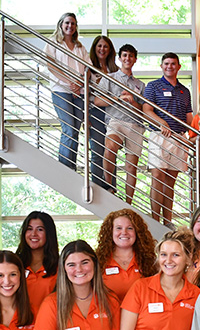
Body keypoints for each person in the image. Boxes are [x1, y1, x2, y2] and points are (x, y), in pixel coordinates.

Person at [143, 52, 193, 225]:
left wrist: (196, 132)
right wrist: (162, 122)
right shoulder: (153, 86)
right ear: (161, 66)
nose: (169, 66)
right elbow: (147, 110)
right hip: (160, 136)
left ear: (178, 67)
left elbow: (189, 119)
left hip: (179, 138)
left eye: (173, 64)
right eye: (166, 63)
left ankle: (167, 221)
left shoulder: (185, 91)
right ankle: (155, 220)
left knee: (170, 181)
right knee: (157, 175)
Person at [95, 44, 146, 203]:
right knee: (110, 148)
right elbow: (97, 101)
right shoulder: (110, 78)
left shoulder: (140, 85)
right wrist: (118, 99)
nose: (127, 59)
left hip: (135, 125)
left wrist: (132, 101)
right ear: (119, 58)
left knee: (131, 168)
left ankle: (128, 203)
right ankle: (109, 186)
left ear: (135, 60)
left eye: (131, 56)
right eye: (124, 55)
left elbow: (143, 112)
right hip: (116, 121)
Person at [45, 13, 90, 170]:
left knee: (75, 130)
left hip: (80, 91)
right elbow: (51, 65)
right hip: (61, 90)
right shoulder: (53, 43)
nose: (70, 26)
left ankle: (71, 167)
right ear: (61, 24)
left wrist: (79, 83)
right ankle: (64, 168)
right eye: (67, 23)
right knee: (69, 129)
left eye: (73, 23)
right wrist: (69, 82)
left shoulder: (80, 47)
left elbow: (88, 69)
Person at [96, 208, 158, 302]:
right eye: (118, 228)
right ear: (110, 232)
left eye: (129, 228)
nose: (124, 232)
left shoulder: (149, 261)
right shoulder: (98, 261)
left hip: (141, 315)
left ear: (137, 232)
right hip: (108, 315)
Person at [86, 35, 119, 189]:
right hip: (96, 113)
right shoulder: (88, 68)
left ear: (110, 50)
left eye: (105, 46)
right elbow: (84, 93)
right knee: (98, 151)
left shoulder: (115, 70)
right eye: (99, 46)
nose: (102, 49)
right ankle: (99, 187)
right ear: (94, 48)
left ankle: (111, 187)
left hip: (113, 114)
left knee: (111, 152)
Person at [16, 211, 59, 314]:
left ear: (49, 234)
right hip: (20, 324)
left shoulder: (60, 266)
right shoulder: (15, 264)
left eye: (40, 229)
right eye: (29, 229)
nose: (33, 234)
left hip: (49, 323)